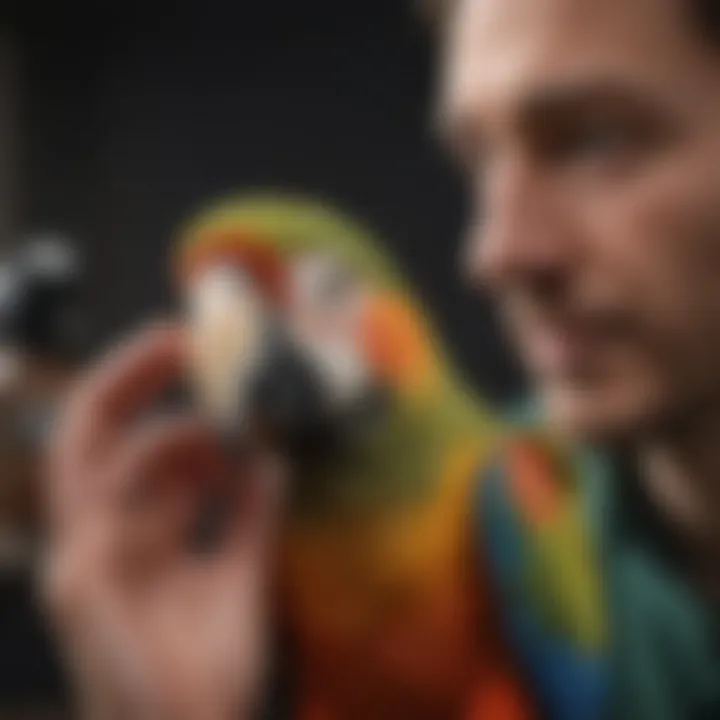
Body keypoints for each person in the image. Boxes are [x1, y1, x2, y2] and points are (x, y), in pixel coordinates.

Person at [43, 0, 720, 718]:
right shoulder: (549, 494)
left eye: (598, 142)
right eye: (478, 161)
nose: (496, 253)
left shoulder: (514, 499)